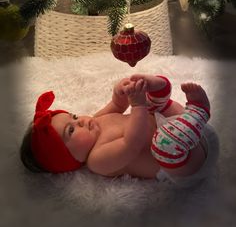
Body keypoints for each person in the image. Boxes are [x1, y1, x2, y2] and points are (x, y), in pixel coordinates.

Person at [20, 74, 216, 186]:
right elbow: (132, 144)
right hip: (187, 162)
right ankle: (198, 113)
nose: (80, 121)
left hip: (181, 126)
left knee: (151, 104)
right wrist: (138, 106)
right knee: (163, 144)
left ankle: (163, 97)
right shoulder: (97, 160)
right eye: (70, 131)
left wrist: (120, 91)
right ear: (71, 158)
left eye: (73, 116)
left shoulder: (95, 121)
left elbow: (117, 104)